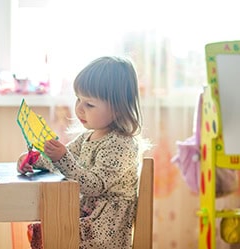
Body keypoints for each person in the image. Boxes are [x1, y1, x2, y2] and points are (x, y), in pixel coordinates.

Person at [17, 56, 147, 249]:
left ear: (119, 109)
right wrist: (34, 160)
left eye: (90, 104)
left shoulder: (122, 144)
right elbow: (60, 162)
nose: (79, 108)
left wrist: (62, 158)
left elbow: (93, 185)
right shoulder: (88, 137)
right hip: (87, 218)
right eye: (78, 99)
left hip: (104, 231)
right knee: (45, 226)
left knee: (50, 231)